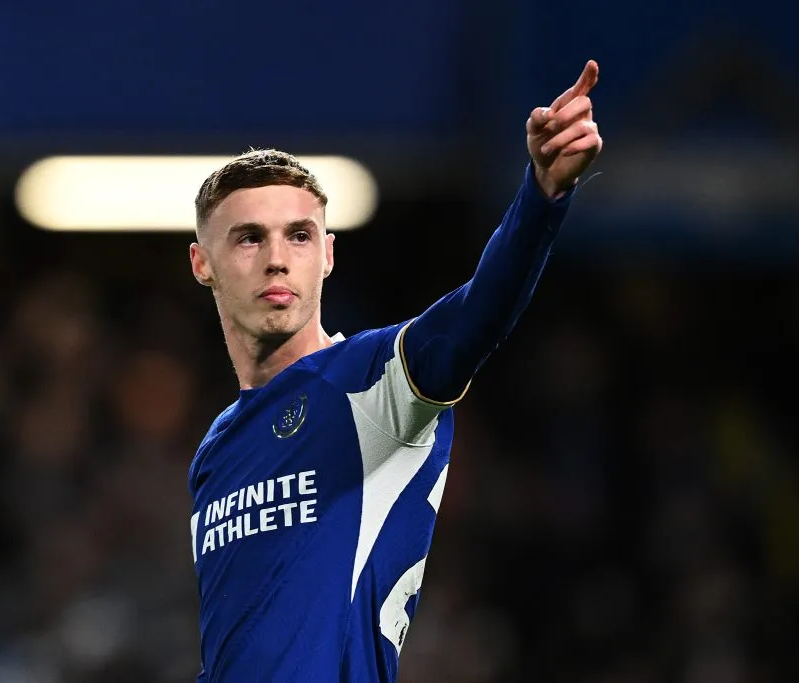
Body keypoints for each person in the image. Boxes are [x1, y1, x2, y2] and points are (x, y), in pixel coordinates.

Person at [186, 60, 603, 682]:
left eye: (299, 236)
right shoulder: (214, 452)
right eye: (249, 238)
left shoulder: (372, 385)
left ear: (327, 255)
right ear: (202, 263)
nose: (277, 259)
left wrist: (540, 198)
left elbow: (475, 318)